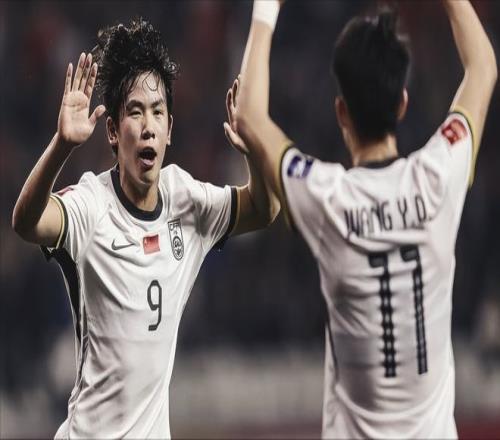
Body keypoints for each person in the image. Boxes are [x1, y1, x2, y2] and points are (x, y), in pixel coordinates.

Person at [234, 0, 497, 438]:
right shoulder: (438, 176)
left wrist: (266, 9)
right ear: (403, 104)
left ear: (341, 111)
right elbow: (483, 67)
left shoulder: (327, 199)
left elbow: (249, 116)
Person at [12, 18, 279, 438]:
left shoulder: (185, 199)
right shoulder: (91, 205)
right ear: (113, 131)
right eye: (135, 112)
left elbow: (265, 209)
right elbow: (27, 222)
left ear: (169, 130)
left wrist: (256, 150)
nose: (148, 125)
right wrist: (61, 145)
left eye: (157, 112)